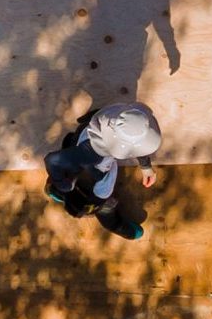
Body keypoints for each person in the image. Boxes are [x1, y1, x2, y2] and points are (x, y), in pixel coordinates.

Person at [43, 100, 161, 240]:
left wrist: (146, 167)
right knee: (102, 207)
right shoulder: (90, 158)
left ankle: (57, 189)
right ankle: (112, 221)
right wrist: (64, 186)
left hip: (80, 145)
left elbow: (99, 116)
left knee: (68, 153)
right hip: (94, 183)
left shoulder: (117, 114)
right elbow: (51, 160)